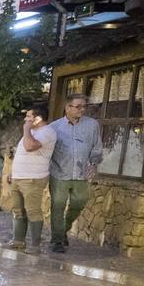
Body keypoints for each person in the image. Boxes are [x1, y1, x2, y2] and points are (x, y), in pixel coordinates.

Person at [48, 92, 102, 253]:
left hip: (81, 174)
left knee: (79, 203)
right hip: (59, 174)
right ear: (67, 108)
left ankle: (63, 229)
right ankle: (57, 240)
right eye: (78, 106)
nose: (82, 110)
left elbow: (96, 146)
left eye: (84, 106)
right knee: (57, 206)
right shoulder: (54, 128)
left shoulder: (92, 125)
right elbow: (46, 151)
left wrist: (94, 163)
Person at [5, 105, 57, 254]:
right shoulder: (31, 132)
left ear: (38, 118)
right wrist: (12, 171)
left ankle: (35, 246)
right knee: (17, 209)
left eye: (28, 116)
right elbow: (22, 154)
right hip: (18, 177)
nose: (25, 120)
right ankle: (18, 241)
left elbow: (29, 147)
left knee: (33, 210)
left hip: (33, 179)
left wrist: (26, 129)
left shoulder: (47, 132)